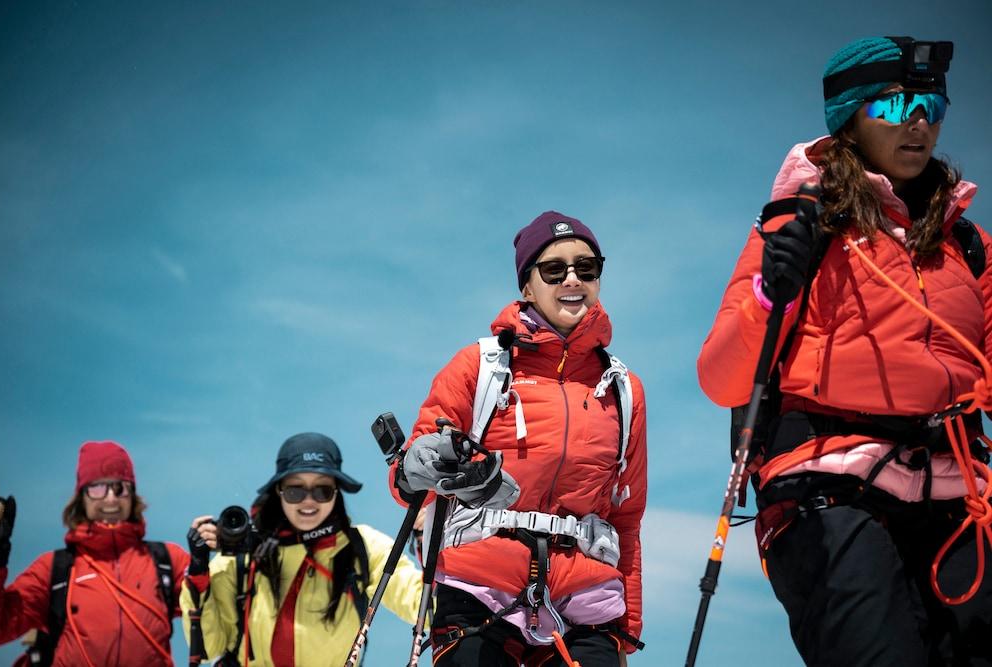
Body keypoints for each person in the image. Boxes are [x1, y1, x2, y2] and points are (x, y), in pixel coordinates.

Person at [698, 36, 992, 665]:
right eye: (893, 106)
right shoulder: (802, 224)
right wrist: (769, 294)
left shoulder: (969, 248)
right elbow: (722, 379)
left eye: (931, 107)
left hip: (957, 499)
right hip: (828, 487)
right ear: (850, 119)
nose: (917, 121)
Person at [391, 212, 647, 666]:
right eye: (555, 269)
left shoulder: (622, 389)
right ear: (527, 286)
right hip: (478, 587)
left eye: (586, 268)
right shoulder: (480, 366)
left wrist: (628, 626)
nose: (573, 278)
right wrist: (419, 465)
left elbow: (626, 515)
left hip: (586, 601)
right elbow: (408, 478)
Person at [182, 432, 422, 666]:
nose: (309, 501)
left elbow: (423, 607)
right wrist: (198, 571)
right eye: (295, 491)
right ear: (279, 492)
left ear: (336, 492)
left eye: (322, 491)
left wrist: (430, 539)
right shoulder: (243, 558)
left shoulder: (362, 547)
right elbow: (205, 649)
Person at [0, 441, 190, 667]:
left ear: (132, 495)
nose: (110, 499)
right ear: (81, 497)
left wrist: (226, 554)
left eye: (120, 488)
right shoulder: (54, 570)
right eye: (97, 489)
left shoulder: (167, 561)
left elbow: (217, 613)